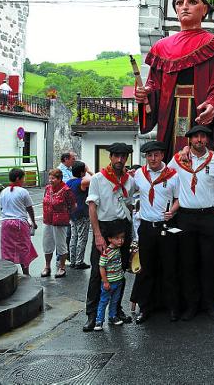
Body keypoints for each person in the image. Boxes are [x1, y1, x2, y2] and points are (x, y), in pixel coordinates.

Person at [135, 0, 214, 161]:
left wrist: (213, 104)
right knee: (171, 163)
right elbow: (154, 84)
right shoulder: (161, 47)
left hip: (198, 111)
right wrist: (145, 93)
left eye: (192, 1)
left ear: (204, 9)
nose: (184, 6)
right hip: (169, 113)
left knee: (202, 163)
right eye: (180, 3)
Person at [168, 127, 214, 321]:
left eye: (203, 136)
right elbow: (165, 178)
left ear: (207, 140)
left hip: (209, 216)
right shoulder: (178, 159)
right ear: (189, 140)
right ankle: (191, 305)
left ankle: (210, 304)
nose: (199, 140)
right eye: (195, 137)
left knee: (210, 262)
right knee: (188, 262)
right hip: (186, 217)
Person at [83, 142, 136, 332]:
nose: (120, 160)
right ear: (111, 157)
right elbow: (92, 207)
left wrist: (132, 233)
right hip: (104, 228)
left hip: (122, 227)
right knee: (98, 272)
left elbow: (129, 206)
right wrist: (97, 235)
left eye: (123, 156)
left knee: (119, 272)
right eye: (116, 156)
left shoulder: (130, 180)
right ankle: (91, 314)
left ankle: (116, 310)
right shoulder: (98, 179)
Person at [131, 140, 180, 324]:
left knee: (169, 268)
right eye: (149, 155)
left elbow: (178, 198)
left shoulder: (172, 175)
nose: (153, 158)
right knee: (146, 269)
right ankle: (145, 308)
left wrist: (172, 211)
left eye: (156, 155)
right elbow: (129, 191)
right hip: (146, 227)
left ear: (162, 156)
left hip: (166, 228)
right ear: (146, 157)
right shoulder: (138, 174)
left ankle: (173, 307)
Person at [0, 168, 38, 275]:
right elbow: (29, 208)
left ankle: (7, 274)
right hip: (19, 223)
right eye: (23, 178)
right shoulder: (23, 191)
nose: (24, 180)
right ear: (18, 178)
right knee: (23, 248)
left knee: (7, 249)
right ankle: (26, 273)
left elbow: (2, 209)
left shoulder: (3, 191)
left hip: (6, 224)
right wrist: (33, 223)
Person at [41, 168, 76, 279]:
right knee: (47, 243)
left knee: (61, 244)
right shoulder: (47, 188)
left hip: (60, 221)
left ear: (60, 179)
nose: (51, 180)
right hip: (47, 219)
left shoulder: (66, 190)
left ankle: (62, 267)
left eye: (53, 178)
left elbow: (73, 205)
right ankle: (47, 266)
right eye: (50, 178)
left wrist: (66, 215)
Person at [94, 226, 127, 331]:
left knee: (115, 301)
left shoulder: (117, 250)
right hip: (109, 282)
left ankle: (112, 316)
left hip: (118, 280)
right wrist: (105, 281)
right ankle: (99, 321)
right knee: (103, 301)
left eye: (122, 238)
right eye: (117, 238)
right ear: (109, 239)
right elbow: (102, 267)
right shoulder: (107, 252)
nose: (120, 241)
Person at [66, 161, 92, 269]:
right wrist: (89, 170)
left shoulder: (68, 182)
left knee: (74, 237)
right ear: (82, 172)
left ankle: (72, 260)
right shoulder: (82, 182)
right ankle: (79, 261)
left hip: (72, 212)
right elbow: (96, 178)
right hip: (82, 213)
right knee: (82, 237)